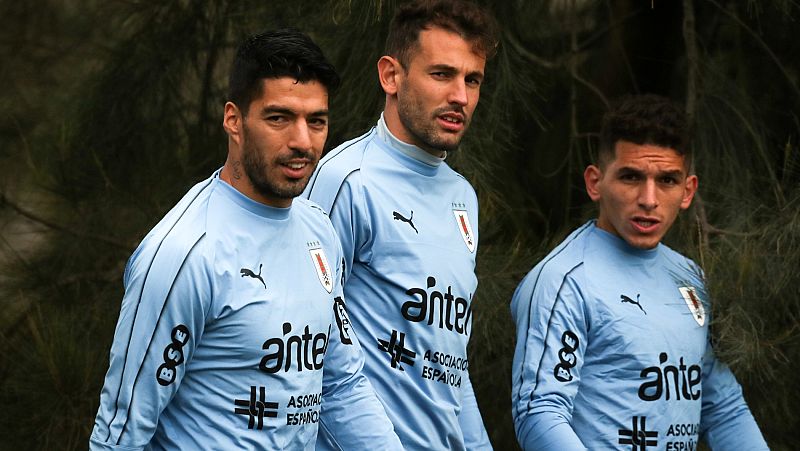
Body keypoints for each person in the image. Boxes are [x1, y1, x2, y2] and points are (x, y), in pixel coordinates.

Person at [89, 29, 402, 450]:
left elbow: (341, 384)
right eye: (279, 118)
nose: (302, 142)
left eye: (317, 121)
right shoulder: (185, 253)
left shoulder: (319, 231)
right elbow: (119, 436)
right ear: (233, 120)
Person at [510, 94, 769, 450]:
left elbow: (724, 408)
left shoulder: (690, 276)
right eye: (631, 177)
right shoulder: (564, 280)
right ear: (595, 183)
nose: (649, 199)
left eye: (667, 180)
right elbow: (538, 413)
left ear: (688, 191)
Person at [303, 1, 498, 449]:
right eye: (442, 74)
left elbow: (447, 362)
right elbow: (313, 350)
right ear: (391, 75)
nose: (461, 97)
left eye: (473, 80)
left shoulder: (463, 197)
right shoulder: (345, 179)